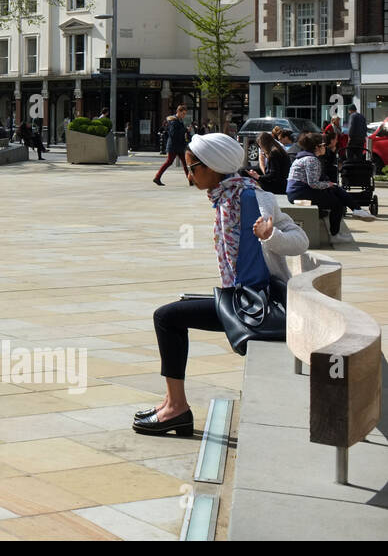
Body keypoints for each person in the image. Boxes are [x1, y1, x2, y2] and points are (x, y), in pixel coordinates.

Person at [135, 134, 308, 435]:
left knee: (167, 317)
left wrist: (271, 236)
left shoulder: (253, 198)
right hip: (243, 297)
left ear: (213, 167)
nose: (189, 175)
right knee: (173, 314)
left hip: (257, 305)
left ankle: (176, 408)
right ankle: (170, 403)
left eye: (192, 168)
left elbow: (300, 241)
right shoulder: (227, 197)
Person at [286, 132, 374, 242]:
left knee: (335, 190)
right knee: (337, 203)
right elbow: (313, 183)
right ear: (317, 147)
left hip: (298, 191)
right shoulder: (311, 160)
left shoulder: (303, 157)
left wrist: (329, 185)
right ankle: (336, 233)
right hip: (300, 192)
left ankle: (356, 209)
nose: (325, 147)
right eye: (323, 145)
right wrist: (329, 184)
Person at [153, 106, 191, 186]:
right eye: (183, 113)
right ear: (178, 112)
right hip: (174, 146)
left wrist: (186, 131)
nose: (184, 115)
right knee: (169, 162)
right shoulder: (173, 121)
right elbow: (173, 134)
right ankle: (157, 177)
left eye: (185, 114)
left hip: (178, 145)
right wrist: (185, 130)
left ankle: (190, 180)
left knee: (184, 163)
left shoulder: (178, 120)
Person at [247, 132, 291, 196]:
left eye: (260, 146)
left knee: (251, 184)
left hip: (278, 186)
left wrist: (258, 176)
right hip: (283, 183)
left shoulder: (273, 154)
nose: (261, 149)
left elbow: (273, 175)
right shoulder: (279, 150)